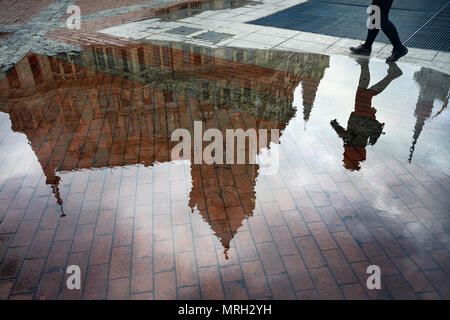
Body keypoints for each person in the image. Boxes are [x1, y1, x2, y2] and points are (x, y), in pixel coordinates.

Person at [330, 59, 403, 170]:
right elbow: (344, 134)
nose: (343, 157)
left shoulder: (361, 147)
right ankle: (390, 74)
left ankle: (367, 67)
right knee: (365, 93)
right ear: (348, 158)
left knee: (363, 92)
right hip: (360, 115)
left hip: (367, 117)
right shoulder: (350, 146)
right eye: (344, 159)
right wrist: (335, 126)